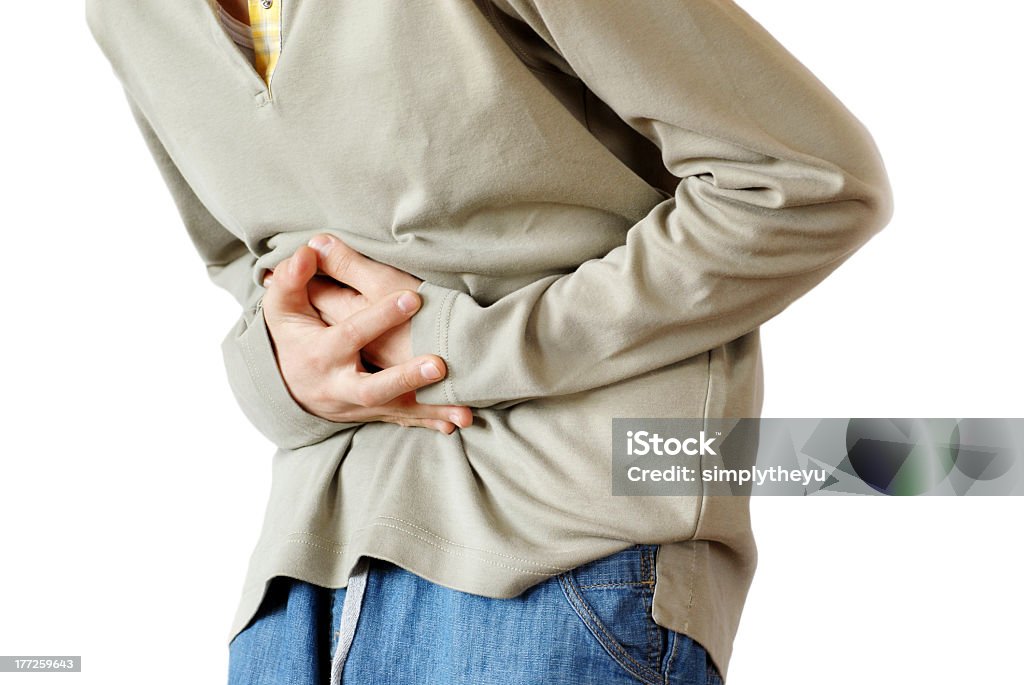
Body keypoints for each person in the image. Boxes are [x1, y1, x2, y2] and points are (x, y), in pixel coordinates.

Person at [85, 1, 892, 683]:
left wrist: (463, 351)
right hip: (300, 583)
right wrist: (283, 375)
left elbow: (805, 182)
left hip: (568, 552)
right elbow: (244, 265)